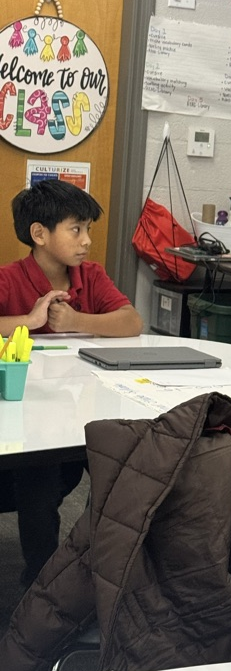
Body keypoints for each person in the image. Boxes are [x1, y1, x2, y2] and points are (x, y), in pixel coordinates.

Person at [0, 179, 142, 586]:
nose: (86, 241)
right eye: (75, 229)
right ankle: (41, 579)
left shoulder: (90, 276)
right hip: (27, 419)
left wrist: (77, 321)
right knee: (39, 480)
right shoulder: (10, 279)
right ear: (39, 234)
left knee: (120, 463)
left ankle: (106, 565)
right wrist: (29, 322)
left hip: (79, 412)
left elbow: (131, 322)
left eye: (89, 230)